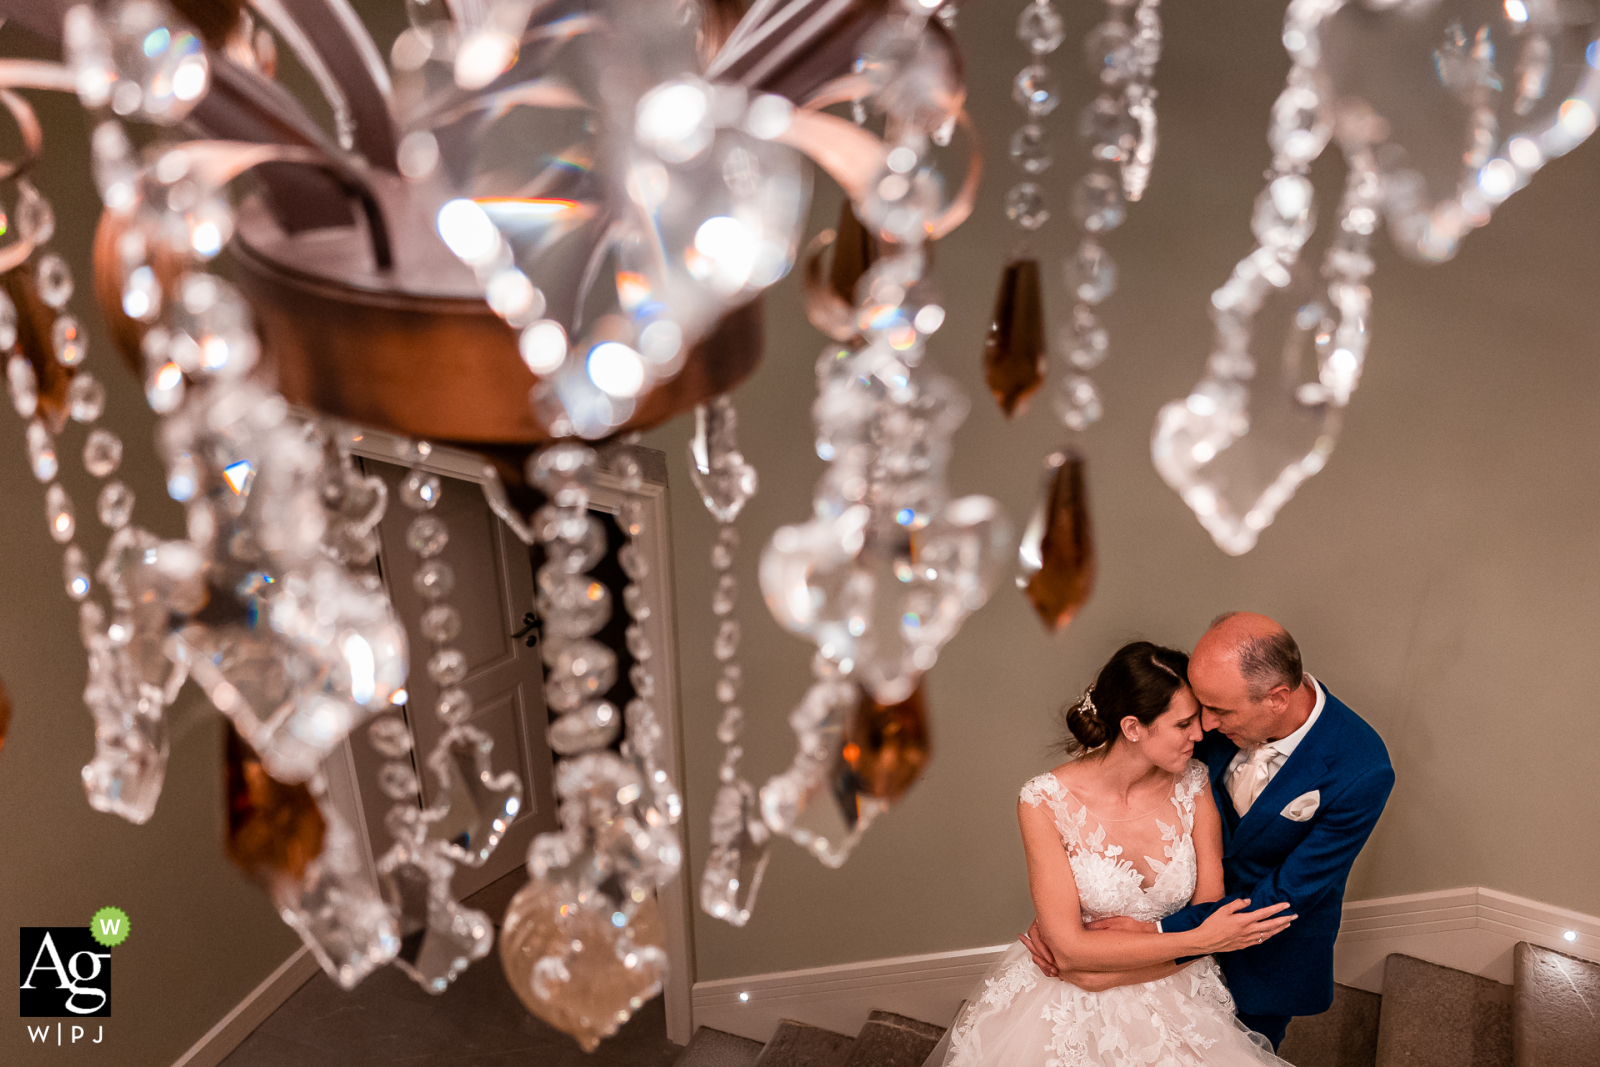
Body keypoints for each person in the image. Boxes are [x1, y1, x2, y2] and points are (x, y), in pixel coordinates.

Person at [1023, 614, 1395, 1052]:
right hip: (1166, 939)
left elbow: (1291, 890)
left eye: (1217, 712)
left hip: (1265, 946)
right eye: (1198, 711)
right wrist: (1067, 908)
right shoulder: (1213, 707)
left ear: (1276, 699)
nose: (1206, 727)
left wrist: (1168, 935)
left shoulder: (1361, 769)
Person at [941, 640, 1298, 1067]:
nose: (1200, 735)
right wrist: (1201, 939)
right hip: (1066, 1004)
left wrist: (1101, 974)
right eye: (1183, 724)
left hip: (1180, 986)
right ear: (1132, 727)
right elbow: (1070, 949)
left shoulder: (1195, 783)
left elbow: (1207, 906)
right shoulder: (1043, 801)